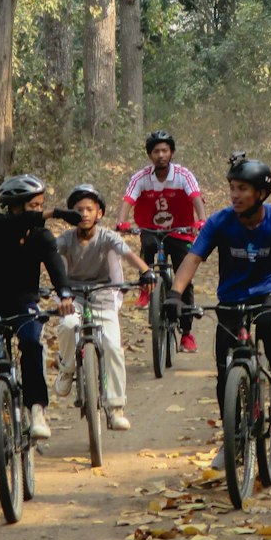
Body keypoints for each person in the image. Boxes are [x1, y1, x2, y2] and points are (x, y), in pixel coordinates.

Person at [167, 155, 271, 468]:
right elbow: (193, 259)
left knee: (270, 326)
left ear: (261, 194)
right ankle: (231, 439)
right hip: (232, 295)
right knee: (224, 370)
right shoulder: (220, 221)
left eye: (243, 189)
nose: (235, 195)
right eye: (232, 188)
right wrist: (174, 294)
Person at [0, 174, 79, 473]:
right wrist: (53, 212)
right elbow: (11, 226)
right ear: (15, 206)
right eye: (33, 205)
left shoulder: (41, 236)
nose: (39, 211)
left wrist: (64, 293)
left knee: (31, 343)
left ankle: (36, 410)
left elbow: (55, 264)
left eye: (42, 205)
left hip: (22, 301)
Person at [54, 184, 156, 432]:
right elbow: (50, 259)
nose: (85, 214)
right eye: (79, 210)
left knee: (112, 346)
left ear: (99, 213)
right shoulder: (66, 240)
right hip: (72, 297)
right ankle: (67, 369)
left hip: (104, 296)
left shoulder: (108, 237)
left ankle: (115, 406)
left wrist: (145, 271)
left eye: (90, 209)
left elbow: (128, 254)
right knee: (68, 325)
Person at [115, 130, 207, 351]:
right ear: (150, 155)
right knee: (146, 246)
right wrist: (122, 222)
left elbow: (196, 197)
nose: (161, 155)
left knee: (184, 278)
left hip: (180, 229)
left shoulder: (183, 175)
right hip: (150, 228)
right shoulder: (141, 177)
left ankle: (186, 334)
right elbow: (128, 199)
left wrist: (202, 220)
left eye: (165, 150)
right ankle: (146, 287)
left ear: (172, 152)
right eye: (156, 151)